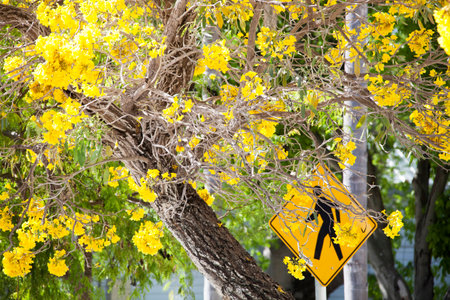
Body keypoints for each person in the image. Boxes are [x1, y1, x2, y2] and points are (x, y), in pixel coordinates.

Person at [306, 186, 343, 260]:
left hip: (327, 223)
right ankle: (340, 257)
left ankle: (316, 258)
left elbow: (315, 215)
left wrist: (307, 220)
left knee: (321, 239)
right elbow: (316, 214)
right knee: (333, 240)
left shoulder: (321, 201)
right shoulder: (322, 200)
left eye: (314, 192)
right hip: (329, 223)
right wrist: (307, 220)